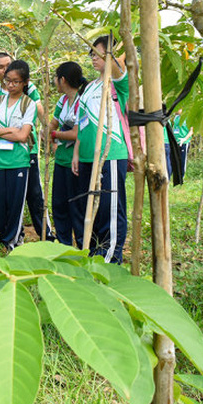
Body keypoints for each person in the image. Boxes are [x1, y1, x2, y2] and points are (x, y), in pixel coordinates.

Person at [71, 35, 128, 264]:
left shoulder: (117, 83)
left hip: (110, 154)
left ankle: (110, 258)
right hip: (86, 157)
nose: (93, 58)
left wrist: (115, 51)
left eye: (98, 54)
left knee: (109, 208)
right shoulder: (90, 88)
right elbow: (82, 123)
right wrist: (76, 152)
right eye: (92, 54)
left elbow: (120, 66)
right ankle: (93, 256)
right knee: (90, 209)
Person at [0, 52, 54, 242]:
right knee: (4, 197)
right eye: (1, 67)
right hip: (1, 155)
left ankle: (45, 234)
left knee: (33, 194)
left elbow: (38, 110)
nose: (5, 69)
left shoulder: (28, 90)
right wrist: (8, 131)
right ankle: (14, 235)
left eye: (8, 64)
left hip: (26, 151)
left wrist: (47, 133)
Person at [0, 60, 37, 250]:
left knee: (15, 204)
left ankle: (12, 240)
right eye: (8, 81)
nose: (11, 85)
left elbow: (23, 135)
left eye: (16, 81)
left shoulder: (28, 104)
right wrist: (10, 131)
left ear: (25, 82)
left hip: (18, 161)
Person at [48, 62, 86, 246]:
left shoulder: (82, 100)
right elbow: (51, 125)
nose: (55, 82)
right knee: (59, 205)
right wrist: (53, 139)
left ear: (62, 80)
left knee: (76, 206)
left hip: (76, 162)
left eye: (56, 78)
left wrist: (54, 136)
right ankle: (63, 243)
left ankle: (81, 243)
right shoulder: (62, 101)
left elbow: (76, 133)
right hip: (61, 160)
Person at [164, 112, 192, 182]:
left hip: (183, 142)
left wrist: (184, 139)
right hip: (175, 142)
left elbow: (191, 131)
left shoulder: (188, 117)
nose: (175, 111)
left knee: (182, 161)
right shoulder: (176, 118)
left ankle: (180, 178)